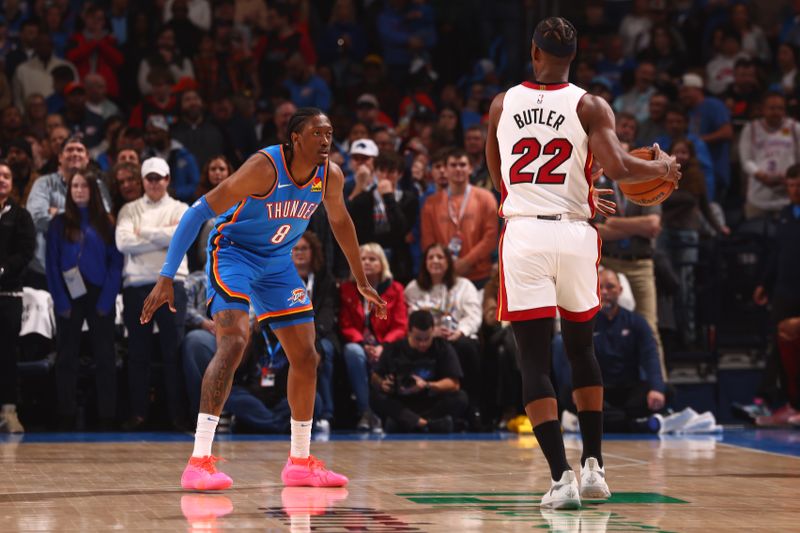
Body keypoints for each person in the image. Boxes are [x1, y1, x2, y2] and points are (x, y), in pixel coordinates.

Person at [485, 16, 680, 510]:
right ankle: (594, 467)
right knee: (581, 347)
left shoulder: (502, 103)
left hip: (525, 231)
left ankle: (560, 479)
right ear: (575, 56)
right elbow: (616, 167)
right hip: (576, 233)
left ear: (534, 52)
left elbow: (500, 175)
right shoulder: (589, 103)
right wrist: (661, 167)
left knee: (532, 357)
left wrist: (544, 192)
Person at [140, 108, 387, 491]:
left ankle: (301, 462)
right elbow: (197, 212)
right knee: (235, 340)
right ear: (295, 139)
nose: (326, 140)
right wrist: (167, 274)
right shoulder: (264, 167)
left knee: (307, 355)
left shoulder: (330, 176)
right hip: (233, 253)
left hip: (276, 263)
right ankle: (199, 460)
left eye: (330, 133)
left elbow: (341, 222)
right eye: (317, 133)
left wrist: (360, 278)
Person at [116, 157, 190, 432]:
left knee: (174, 352)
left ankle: (177, 416)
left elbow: (181, 238)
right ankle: (138, 414)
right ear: (143, 181)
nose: (155, 183)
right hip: (137, 285)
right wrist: (165, 237)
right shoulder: (129, 209)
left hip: (172, 283)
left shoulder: (182, 208)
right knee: (138, 353)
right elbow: (124, 242)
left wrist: (144, 233)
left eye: (160, 178)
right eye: (150, 178)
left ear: (168, 179)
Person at [46, 169, 123, 430]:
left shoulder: (106, 222)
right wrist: (60, 300)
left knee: (105, 357)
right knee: (66, 357)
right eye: (74, 186)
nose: (79, 190)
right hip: (68, 295)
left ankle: (107, 415)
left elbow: (116, 263)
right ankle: (65, 414)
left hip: (99, 294)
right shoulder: (58, 224)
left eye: (84, 186)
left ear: (93, 190)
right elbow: (52, 265)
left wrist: (107, 300)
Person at [554, 270, 666, 433]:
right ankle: (634, 424)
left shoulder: (637, 322)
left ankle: (604, 422)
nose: (605, 292)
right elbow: (575, 360)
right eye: (600, 288)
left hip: (628, 390)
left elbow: (650, 356)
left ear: (620, 290)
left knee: (665, 391)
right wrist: (576, 388)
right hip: (598, 391)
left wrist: (656, 389)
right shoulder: (585, 323)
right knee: (567, 394)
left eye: (610, 287)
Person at [404, 243, 483, 427]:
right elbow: (410, 317)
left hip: (457, 338)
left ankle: (474, 407)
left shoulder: (464, 285)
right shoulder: (413, 288)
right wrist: (431, 333)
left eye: (440, 257)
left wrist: (460, 331)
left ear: (449, 261)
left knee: (467, 346)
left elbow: (474, 315)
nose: (435, 261)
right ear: (424, 262)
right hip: (427, 341)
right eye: (430, 257)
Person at [339, 242, 407, 433]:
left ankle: (382, 412)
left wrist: (383, 346)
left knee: (391, 352)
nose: (367, 262)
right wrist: (362, 343)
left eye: (372, 259)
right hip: (359, 343)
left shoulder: (396, 289)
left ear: (382, 264)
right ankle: (366, 411)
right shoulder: (347, 289)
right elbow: (346, 325)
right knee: (352, 352)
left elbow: (401, 325)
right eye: (362, 259)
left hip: (386, 343)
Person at [371, 310, 468, 433]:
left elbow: (454, 384)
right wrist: (382, 383)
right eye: (417, 339)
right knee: (375, 397)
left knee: (461, 398)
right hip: (402, 403)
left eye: (427, 339)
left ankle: (408, 423)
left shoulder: (442, 347)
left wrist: (427, 385)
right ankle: (427, 424)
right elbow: (375, 377)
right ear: (409, 332)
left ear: (433, 331)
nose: (422, 344)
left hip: (430, 402)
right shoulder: (393, 348)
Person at [291, 231, 340, 434]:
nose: (299, 253)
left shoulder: (324, 279)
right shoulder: (283, 279)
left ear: (313, 252)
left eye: (304, 248)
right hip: (290, 334)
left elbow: (328, 313)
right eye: (295, 249)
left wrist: (313, 337)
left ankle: (325, 413)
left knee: (323, 353)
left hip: (320, 334)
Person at [0, 160, 35, 433]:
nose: (2, 179)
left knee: (7, 354)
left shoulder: (21, 216)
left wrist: (3, 268)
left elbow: (25, 252)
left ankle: (9, 411)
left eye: (6, 176)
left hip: (8, 293)